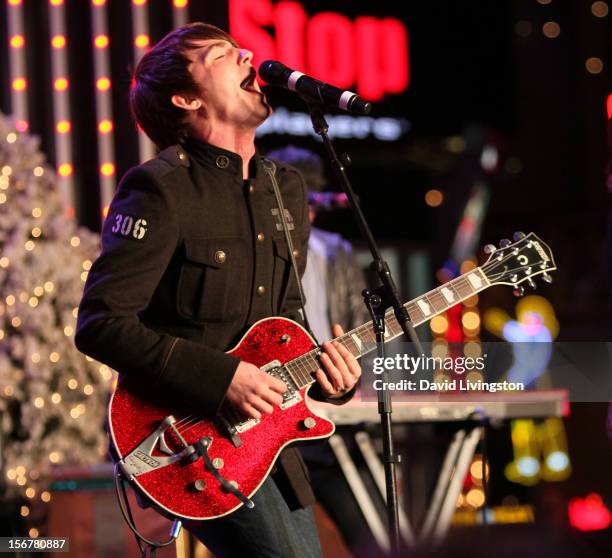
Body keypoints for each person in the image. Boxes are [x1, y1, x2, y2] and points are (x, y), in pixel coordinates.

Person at [74, 22, 360, 558]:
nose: (249, 54)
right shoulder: (160, 187)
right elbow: (101, 324)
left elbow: (286, 327)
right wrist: (221, 377)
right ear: (186, 98)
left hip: (271, 443)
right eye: (221, 54)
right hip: (185, 440)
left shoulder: (286, 188)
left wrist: (330, 379)